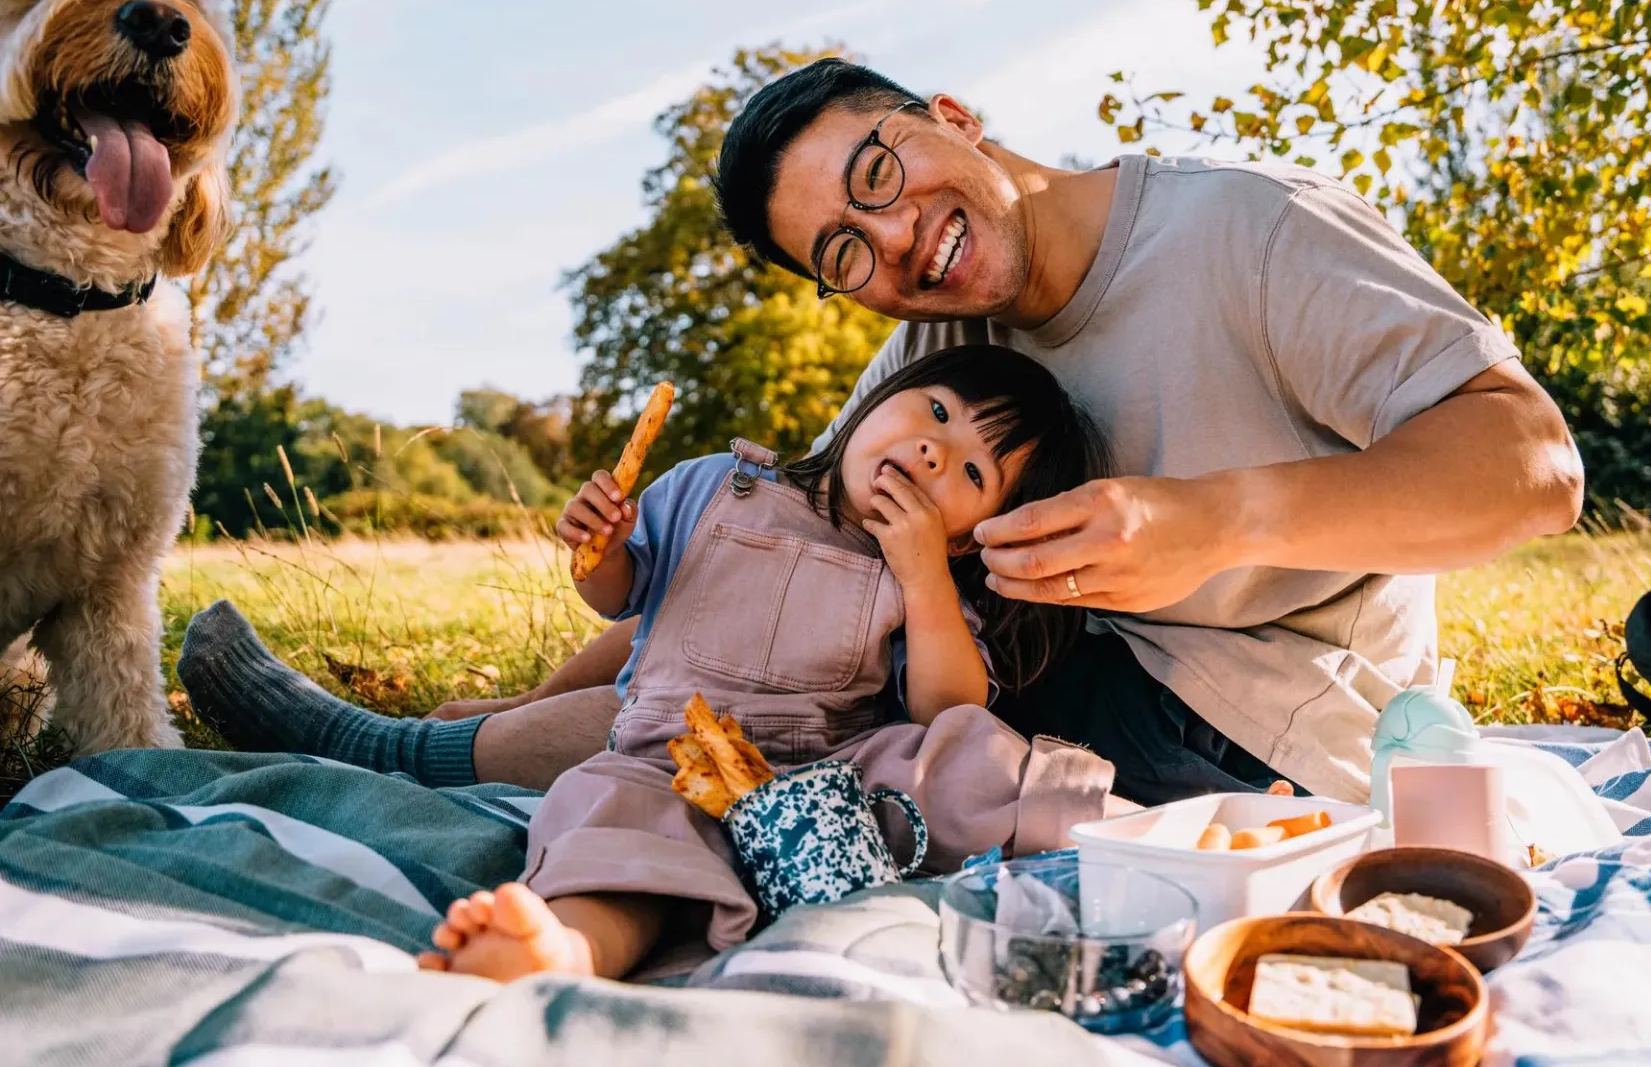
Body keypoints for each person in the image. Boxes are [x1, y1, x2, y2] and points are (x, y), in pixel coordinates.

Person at [187, 58, 1585, 806]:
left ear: (954, 117)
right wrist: (525, 679)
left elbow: (1530, 470)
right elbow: (754, 557)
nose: (899, 243)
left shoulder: (1245, 231)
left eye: (883, 172)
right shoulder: (936, 339)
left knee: (807, 706)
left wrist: (1220, 520)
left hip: (1258, 716)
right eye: (844, 254)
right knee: (786, 620)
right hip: (1039, 667)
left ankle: (388, 759)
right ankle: (439, 742)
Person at [183, 346, 1124, 979]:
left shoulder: (933, 579)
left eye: (971, 471)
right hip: (667, 755)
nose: (932, 449)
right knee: (618, 818)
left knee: (976, 754)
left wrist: (921, 573)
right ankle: (566, 946)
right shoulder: (723, 484)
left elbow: (942, 712)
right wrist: (602, 552)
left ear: (975, 535)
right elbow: (626, 598)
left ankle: (1136, 840)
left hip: (826, 780)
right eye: (936, 410)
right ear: (875, 400)